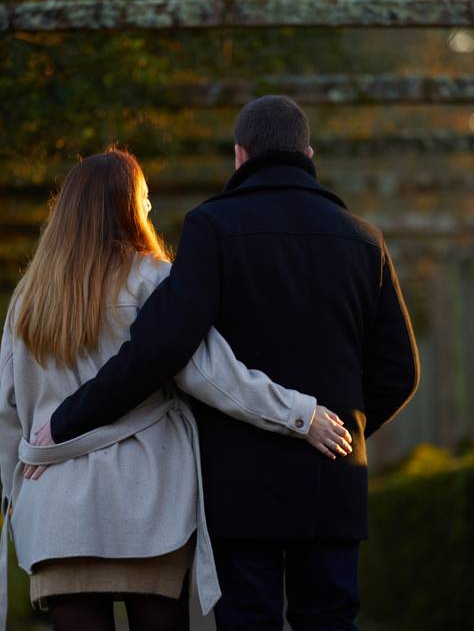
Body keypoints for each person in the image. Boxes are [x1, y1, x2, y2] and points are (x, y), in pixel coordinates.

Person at [48, 97, 420, 630]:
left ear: (240, 156)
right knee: (331, 620)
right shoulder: (364, 241)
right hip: (332, 479)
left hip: (239, 485)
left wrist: (66, 420)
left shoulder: (213, 228)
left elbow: (159, 348)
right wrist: (346, 429)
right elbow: (400, 371)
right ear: (308, 153)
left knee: (248, 621)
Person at [0, 147, 353, 631]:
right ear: (124, 206)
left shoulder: (29, 295)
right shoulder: (154, 279)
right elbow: (210, 374)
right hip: (149, 506)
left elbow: (7, 411)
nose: (150, 210)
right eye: (144, 198)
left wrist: (15, 490)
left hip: (57, 506)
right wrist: (299, 414)